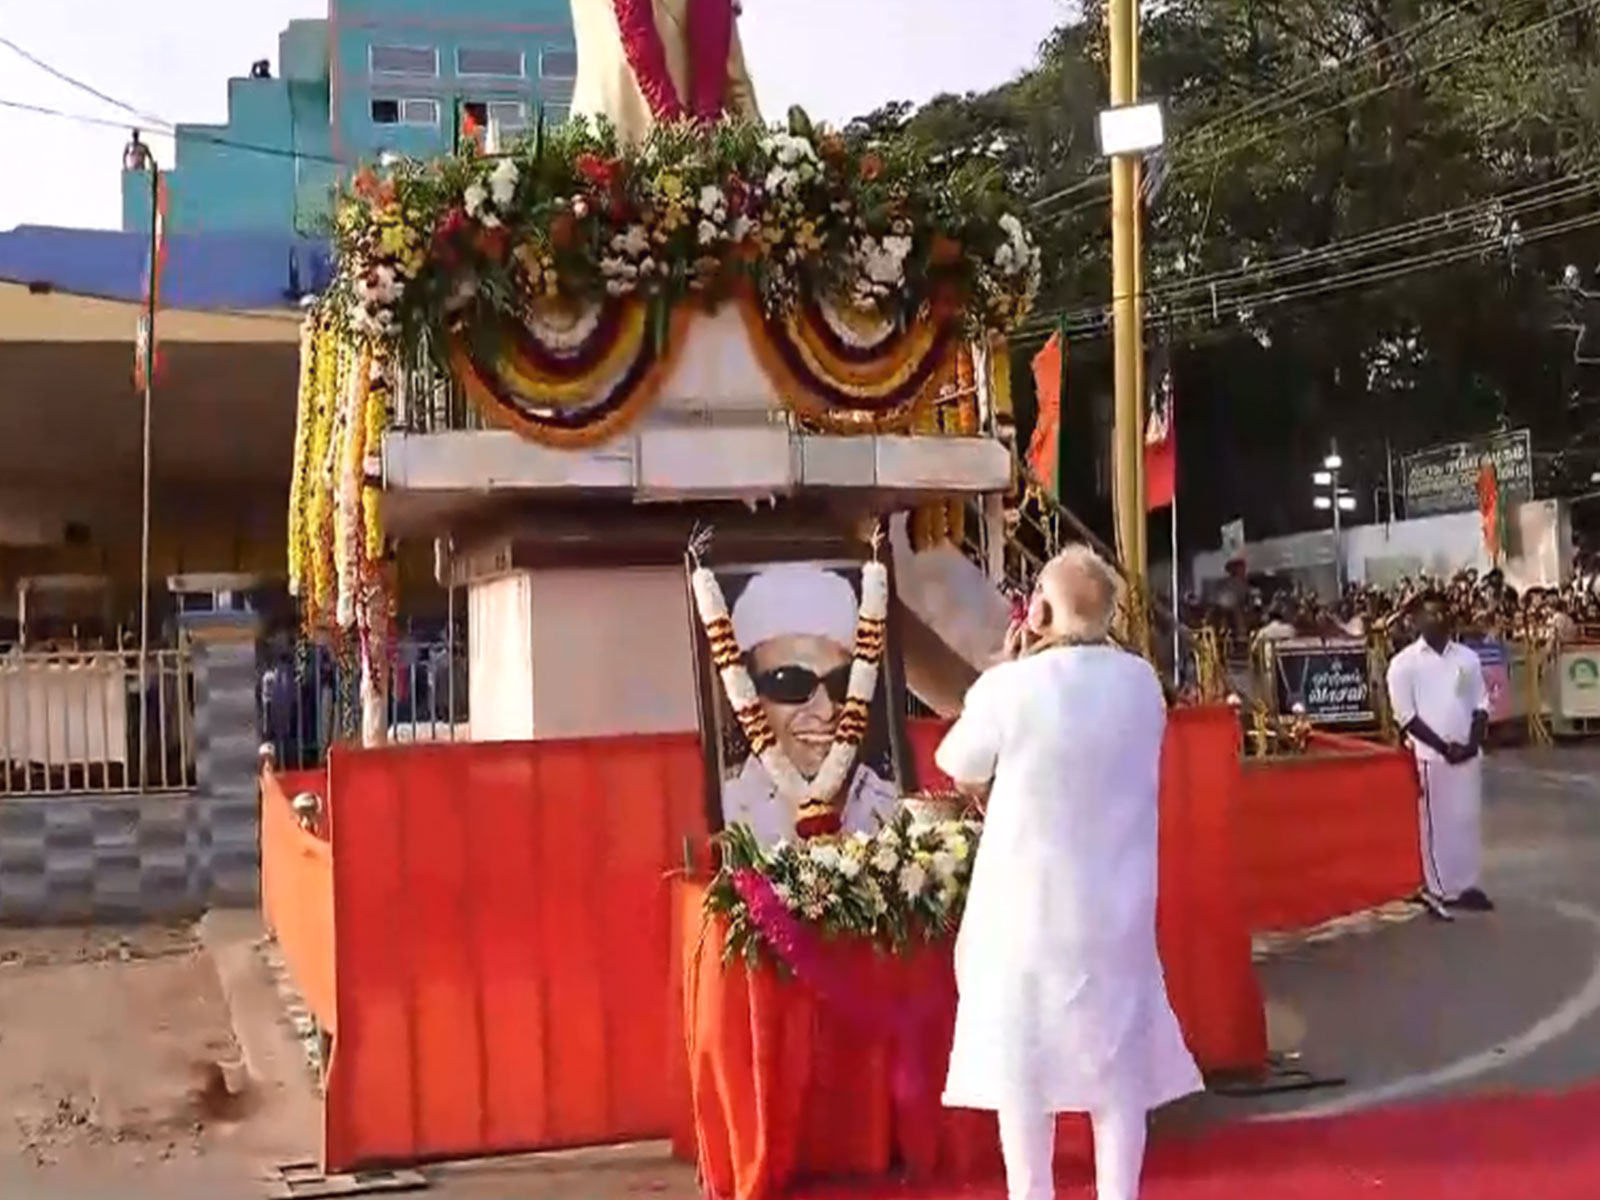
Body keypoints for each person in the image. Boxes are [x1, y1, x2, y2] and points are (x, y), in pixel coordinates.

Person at [934, 546, 1202, 1200]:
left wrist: (1006, 667)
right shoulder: (1142, 684)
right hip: (1118, 916)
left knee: (1026, 1077)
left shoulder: (1011, 687)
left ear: (1042, 611)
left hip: (1029, 921)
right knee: (1118, 1081)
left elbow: (960, 762)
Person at [719, 563, 899, 844]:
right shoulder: (724, 815)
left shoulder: (897, 812)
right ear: (747, 696)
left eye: (843, 683)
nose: (827, 711)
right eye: (792, 684)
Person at [1386, 591, 1493, 920]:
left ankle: (1467, 884)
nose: (1440, 619)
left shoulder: (1467, 659)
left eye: (1444, 612)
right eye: (1431, 614)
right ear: (1416, 621)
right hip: (1431, 757)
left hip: (1467, 754)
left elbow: (1480, 705)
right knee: (1436, 823)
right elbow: (1406, 717)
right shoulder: (1403, 665)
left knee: (1466, 818)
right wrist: (1444, 747)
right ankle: (1440, 888)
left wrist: (1471, 744)